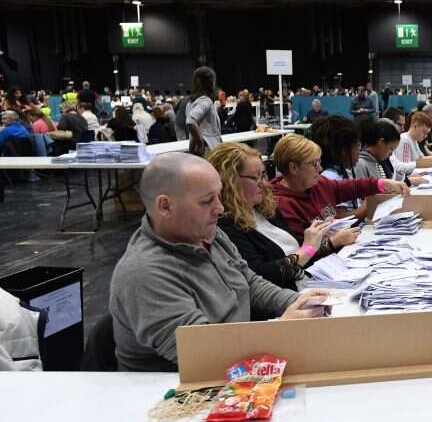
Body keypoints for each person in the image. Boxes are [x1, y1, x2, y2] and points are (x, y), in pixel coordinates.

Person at [108, 153, 332, 372]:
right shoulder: (145, 273)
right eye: (207, 201)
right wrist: (279, 329)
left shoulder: (207, 233)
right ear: (165, 206)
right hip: (177, 389)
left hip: (232, 364)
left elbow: (249, 282)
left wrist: (300, 301)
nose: (221, 208)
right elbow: (204, 354)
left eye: (218, 196)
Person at [207, 142, 359, 291]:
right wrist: (310, 248)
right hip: (290, 298)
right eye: (255, 178)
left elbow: (301, 252)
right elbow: (261, 278)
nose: (264, 184)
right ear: (229, 181)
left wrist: (323, 241)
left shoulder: (265, 209)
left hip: (305, 286)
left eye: (264, 175)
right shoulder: (224, 225)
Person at [270, 133, 408, 238]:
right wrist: (334, 242)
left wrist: (383, 183)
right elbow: (302, 251)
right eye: (314, 163)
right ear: (294, 168)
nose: (320, 168)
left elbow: (352, 187)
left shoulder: (319, 184)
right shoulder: (283, 205)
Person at [353, 120, 427, 186]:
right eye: (391, 149)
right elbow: (365, 198)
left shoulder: (378, 161)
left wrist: (405, 180)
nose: (391, 154)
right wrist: (406, 181)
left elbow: (388, 183)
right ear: (381, 143)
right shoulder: (361, 165)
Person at [308, 115, 361, 182]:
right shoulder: (330, 179)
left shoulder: (341, 172)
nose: (359, 151)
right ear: (344, 151)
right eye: (357, 146)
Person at [186, 66, 221, 156]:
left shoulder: (191, 102)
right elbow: (191, 121)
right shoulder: (205, 100)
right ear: (211, 82)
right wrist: (200, 143)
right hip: (207, 149)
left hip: (197, 149)